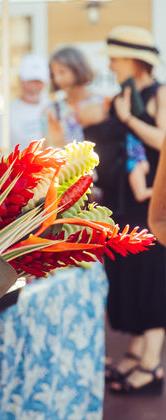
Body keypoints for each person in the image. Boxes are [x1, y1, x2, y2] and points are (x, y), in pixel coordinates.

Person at [82, 25, 166, 395]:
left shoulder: (159, 94)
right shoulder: (122, 94)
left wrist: (130, 120)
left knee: (153, 280)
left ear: (134, 59)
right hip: (126, 204)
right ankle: (135, 352)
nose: (112, 65)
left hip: (153, 203)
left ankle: (151, 367)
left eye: (115, 58)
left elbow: (164, 139)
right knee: (131, 275)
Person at [0, 53, 49, 165]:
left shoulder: (53, 109)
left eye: (38, 82)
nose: (33, 87)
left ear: (45, 83)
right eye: (29, 81)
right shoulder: (8, 113)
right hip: (18, 180)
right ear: (20, 80)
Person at [44, 46, 106, 147]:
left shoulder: (104, 104)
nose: (57, 79)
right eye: (53, 74)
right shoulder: (51, 110)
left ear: (78, 69)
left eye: (62, 72)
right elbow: (44, 151)